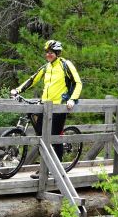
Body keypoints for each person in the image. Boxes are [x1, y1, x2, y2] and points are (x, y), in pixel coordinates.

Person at [10, 40, 82, 178]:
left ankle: (54, 167)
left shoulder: (66, 65)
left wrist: (72, 99)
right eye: (47, 52)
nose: (48, 55)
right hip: (45, 106)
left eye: (51, 52)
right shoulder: (46, 67)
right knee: (42, 136)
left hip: (59, 106)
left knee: (53, 137)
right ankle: (45, 166)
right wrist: (17, 90)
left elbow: (78, 83)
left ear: (57, 53)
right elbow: (32, 79)